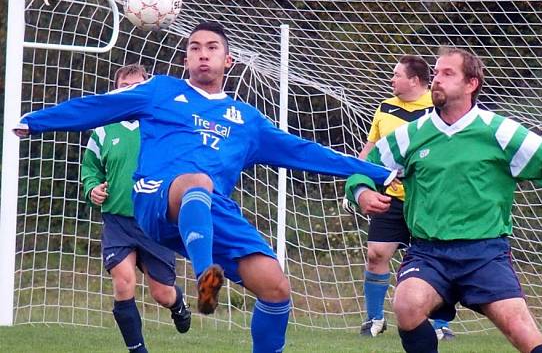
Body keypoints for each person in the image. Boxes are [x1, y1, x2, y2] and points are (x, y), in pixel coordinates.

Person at [14, 22, 396, 353]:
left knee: (275, 286)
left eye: (212, 48)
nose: (202, 55)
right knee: (197, 181)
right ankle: (204, 276)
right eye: (194, 48)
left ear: (227, 60)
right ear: (185, 60)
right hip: (154, 196)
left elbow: (304, 151)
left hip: (210, 208)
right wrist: (37, 121)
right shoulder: (160, 90)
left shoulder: (247, 121)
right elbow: (98, 106)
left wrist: (375, 173)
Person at [345, 46, 542, 353]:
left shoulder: (500, 132)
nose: (437, 79)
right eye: (436, 72)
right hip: (428, 253)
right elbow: (363, 167)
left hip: (485, 254)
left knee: (520, 328)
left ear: (471, 84)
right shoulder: (411, 135)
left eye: (447, 73)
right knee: (407, 304)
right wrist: (362, 192)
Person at [80, 64, 191, 353]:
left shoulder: (160, 125)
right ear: (116, 90)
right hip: (118, 221)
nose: (130, 90)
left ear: (146, 89)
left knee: (162, 294)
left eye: (137, 85)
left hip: (155, 221)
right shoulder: (103, 130)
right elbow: (90, 168)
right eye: (124, 85)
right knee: (123, 282)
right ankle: (137, 350)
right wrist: (92, 187)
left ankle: (178, 304)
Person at [351, 55, 453, 340]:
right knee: (375, 254)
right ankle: (374, 318)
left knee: (439, 260)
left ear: (415, 80)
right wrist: (357, 183)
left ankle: (440, 323)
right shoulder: (384, 108)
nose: (391, 79)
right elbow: (371, 150)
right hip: (391, 199)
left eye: (397, 75)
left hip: (428, 200)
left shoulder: (438, 109)